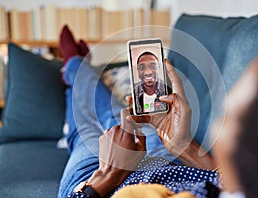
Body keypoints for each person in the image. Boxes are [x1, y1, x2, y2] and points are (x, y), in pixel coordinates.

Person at [58, 25, 218, 198]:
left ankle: (74, 67)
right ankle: (75, 69)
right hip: (169, 165)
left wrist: (107, 174)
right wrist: (183, 146)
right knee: (117, 118)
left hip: (97, 188)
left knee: (86, 127)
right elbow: (228, 184)